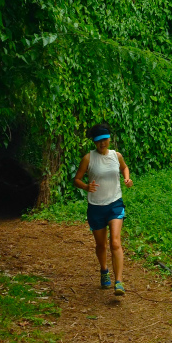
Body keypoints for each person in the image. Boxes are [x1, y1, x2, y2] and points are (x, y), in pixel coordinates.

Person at [73, 123, 133, 295]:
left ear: (109, 139)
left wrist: (127, 179)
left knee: (115, 242)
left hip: (115, 203)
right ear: (94, 142)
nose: (102, 144)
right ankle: (104, 270)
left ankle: (119, 281)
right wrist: (86, 186)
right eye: (99, 141)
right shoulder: (88, 158)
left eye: (105, 140)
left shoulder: (117, 156)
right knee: (101, 245)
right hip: (96, 207)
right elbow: (76, 179)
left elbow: (124, 168)